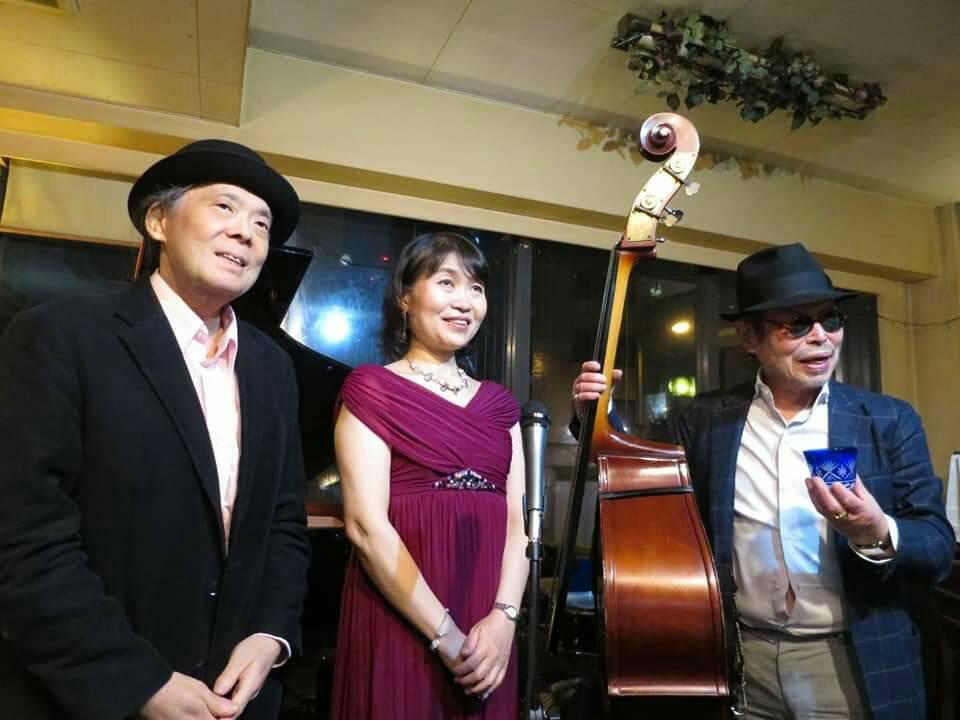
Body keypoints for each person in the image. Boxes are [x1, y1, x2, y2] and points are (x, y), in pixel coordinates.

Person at [572, 243, 954, 720]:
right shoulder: (707, 419)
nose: (821, 337)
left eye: (831, 319)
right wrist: (595, 414)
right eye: (797, 324)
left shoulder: (889, 420)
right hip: (740, 662)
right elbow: (633, 468)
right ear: (749, 338)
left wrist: (877, 531)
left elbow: (937, 545)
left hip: (854, 661)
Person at [0, 139, 311, 720]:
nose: (245, 232)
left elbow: (284, 521)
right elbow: (26, 539)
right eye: (225, 207)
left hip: (233, 697)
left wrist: (271, 635)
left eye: (261, 223)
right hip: (93, 695)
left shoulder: (271, 368)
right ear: (159, 221)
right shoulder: (59, 336)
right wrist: (138, 683)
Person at [330, 231, 528, 719]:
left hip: (489, 628)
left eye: (476, 288)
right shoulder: (372, 389)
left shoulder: (501, 405)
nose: (465, 301)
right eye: (446, 283)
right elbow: (366, 527)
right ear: (405, 297)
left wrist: (504, 620)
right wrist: (446, 636)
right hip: (402, 613)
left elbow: (518, 526)